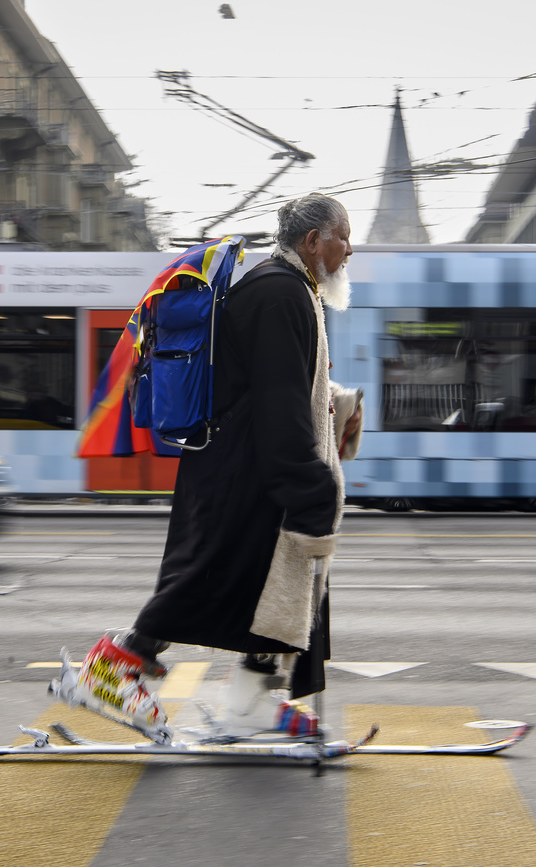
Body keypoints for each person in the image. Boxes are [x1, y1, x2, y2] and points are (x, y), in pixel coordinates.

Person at [73, 193, 360, 739]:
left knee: (260, 591)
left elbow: (280, 387)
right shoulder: (282, 295)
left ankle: (251, 705)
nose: (350, 249)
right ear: (312, 242)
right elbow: (278, 401)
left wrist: (339, 404)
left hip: (242, 466)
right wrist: (309, 486)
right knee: (212, 582)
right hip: (246, 475)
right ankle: (112, 670)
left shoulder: (287, 288)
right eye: (344, 236)